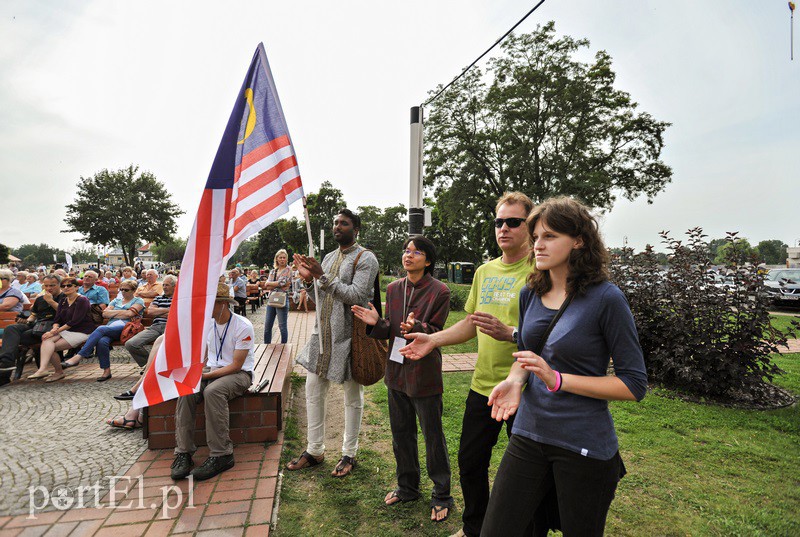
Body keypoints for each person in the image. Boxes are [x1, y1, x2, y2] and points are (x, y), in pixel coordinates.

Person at [480, 197, 648, 536]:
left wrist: (558, 379)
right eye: (536, 236)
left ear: (579, 241)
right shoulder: (531, 292)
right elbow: (528, 354)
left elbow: (633, 384)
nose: (538, 244)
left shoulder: (606, 298)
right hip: (529, 432)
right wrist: (515, 380)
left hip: (582, 442)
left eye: (550, 236)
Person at [399, 192, 537, 537]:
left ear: (530, 226)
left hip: (526, 388)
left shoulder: (540, 269)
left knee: (530, 472)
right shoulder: (485, 270)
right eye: (498, 222)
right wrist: (432, 339)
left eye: (513, 222)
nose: (503, 228)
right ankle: (475, 528)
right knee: (471, 462)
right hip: (483, 387)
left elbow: (553, 330)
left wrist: (514, 334)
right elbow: (470, 324)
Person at [352, 235, 454, 523]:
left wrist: (417, 326)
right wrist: (377, 324)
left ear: (428, 260)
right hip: (396, 370)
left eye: (416, 252)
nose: (408, 256)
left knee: (432, 437)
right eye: (406, 251)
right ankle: (407, 487)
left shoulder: (440, 291)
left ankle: (442, 494)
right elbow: (390, 329)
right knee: (401, 434)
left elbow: (434, 331)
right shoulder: (394, 288)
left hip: (424, 372)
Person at [287, 208, 379, 477]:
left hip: (351, 339)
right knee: (313, 390)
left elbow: (357, 295)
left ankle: (349, 452)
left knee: (352, 396)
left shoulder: (366, 258)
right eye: (336, 223)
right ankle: (315, 450)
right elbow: (320, 298)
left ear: (356, 229)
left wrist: (320, 276)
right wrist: (308, 280)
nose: (338, 227)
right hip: (322, 337)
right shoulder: (327, 257)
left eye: (344, 223)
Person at [170, 283, 255, 481]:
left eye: (209, 303)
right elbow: (206, 356)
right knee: (187, 389)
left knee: (213, 392)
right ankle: (183, 452)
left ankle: (222, 454)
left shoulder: (243, 326)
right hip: (214, 369)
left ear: (223, 304)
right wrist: (196, 372)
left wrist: (206, 377)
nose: (204, 308)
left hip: (240, 373)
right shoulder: (209, 323)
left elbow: (236, 365)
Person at [61, 281, 145, 381]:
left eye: (126, 290)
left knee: (101, 328)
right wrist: (122, 312)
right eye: (121, 289)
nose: (123, 292)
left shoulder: (138, 301)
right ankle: (106, 371)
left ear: (134, 290)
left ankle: (80, 355)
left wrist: (114, 313)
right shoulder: (116, 300)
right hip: (110, 328)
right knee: (102, 341)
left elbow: (129, 315)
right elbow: (104, 314)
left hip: (126, 329)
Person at [27, 277, 95, 382]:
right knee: (46, 340)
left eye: (69, 285)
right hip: (66, 330)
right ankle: (43, 369)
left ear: (76, 287)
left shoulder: (82, 300)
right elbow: (57, 319)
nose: (66, 288)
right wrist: (53, 329)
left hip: (82, 331)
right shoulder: (63, 300)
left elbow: (74, 321)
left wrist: (55, 331)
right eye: (63, 286)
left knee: (51, 347)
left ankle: (58, 372)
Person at [0, 275, 64, 373]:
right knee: (11, 328)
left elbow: (65, 314)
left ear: (59, 285)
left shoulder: (64, 297)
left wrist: (50, 301)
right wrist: (25, 320)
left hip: (55, 327)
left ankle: (6, 370)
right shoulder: (40, 299)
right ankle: (6, 362)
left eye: (52, 285)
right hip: (38, 325)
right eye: (46, 286)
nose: (48, 288)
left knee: (17, 338)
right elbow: (33, 317)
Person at [123, 275, 175, 368]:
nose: (164, 287)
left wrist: (159, 311)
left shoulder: (179, 299)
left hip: (172, 327)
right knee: (131, 344)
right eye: (163, 285)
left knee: (169, 346)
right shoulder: (158, 298)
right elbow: (151, 311)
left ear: (174, 286)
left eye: (167, 285)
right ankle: (151, 366)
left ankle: (167, 367)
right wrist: (170, 310)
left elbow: (179, 312)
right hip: (155, 327)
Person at [263, 249, 292, 343]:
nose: (282, 259)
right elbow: (267, 284)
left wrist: (271, 283)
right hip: (271, 299)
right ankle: (266, 346)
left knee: (282, 326)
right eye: (280, 257)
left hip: (282, 299)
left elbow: (282, 283)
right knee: (267, 326)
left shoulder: (288, 269)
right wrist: (276, 284)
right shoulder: (273, 271)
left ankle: (284, 346)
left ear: (287, 259)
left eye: (284, 258)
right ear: (277, 259)